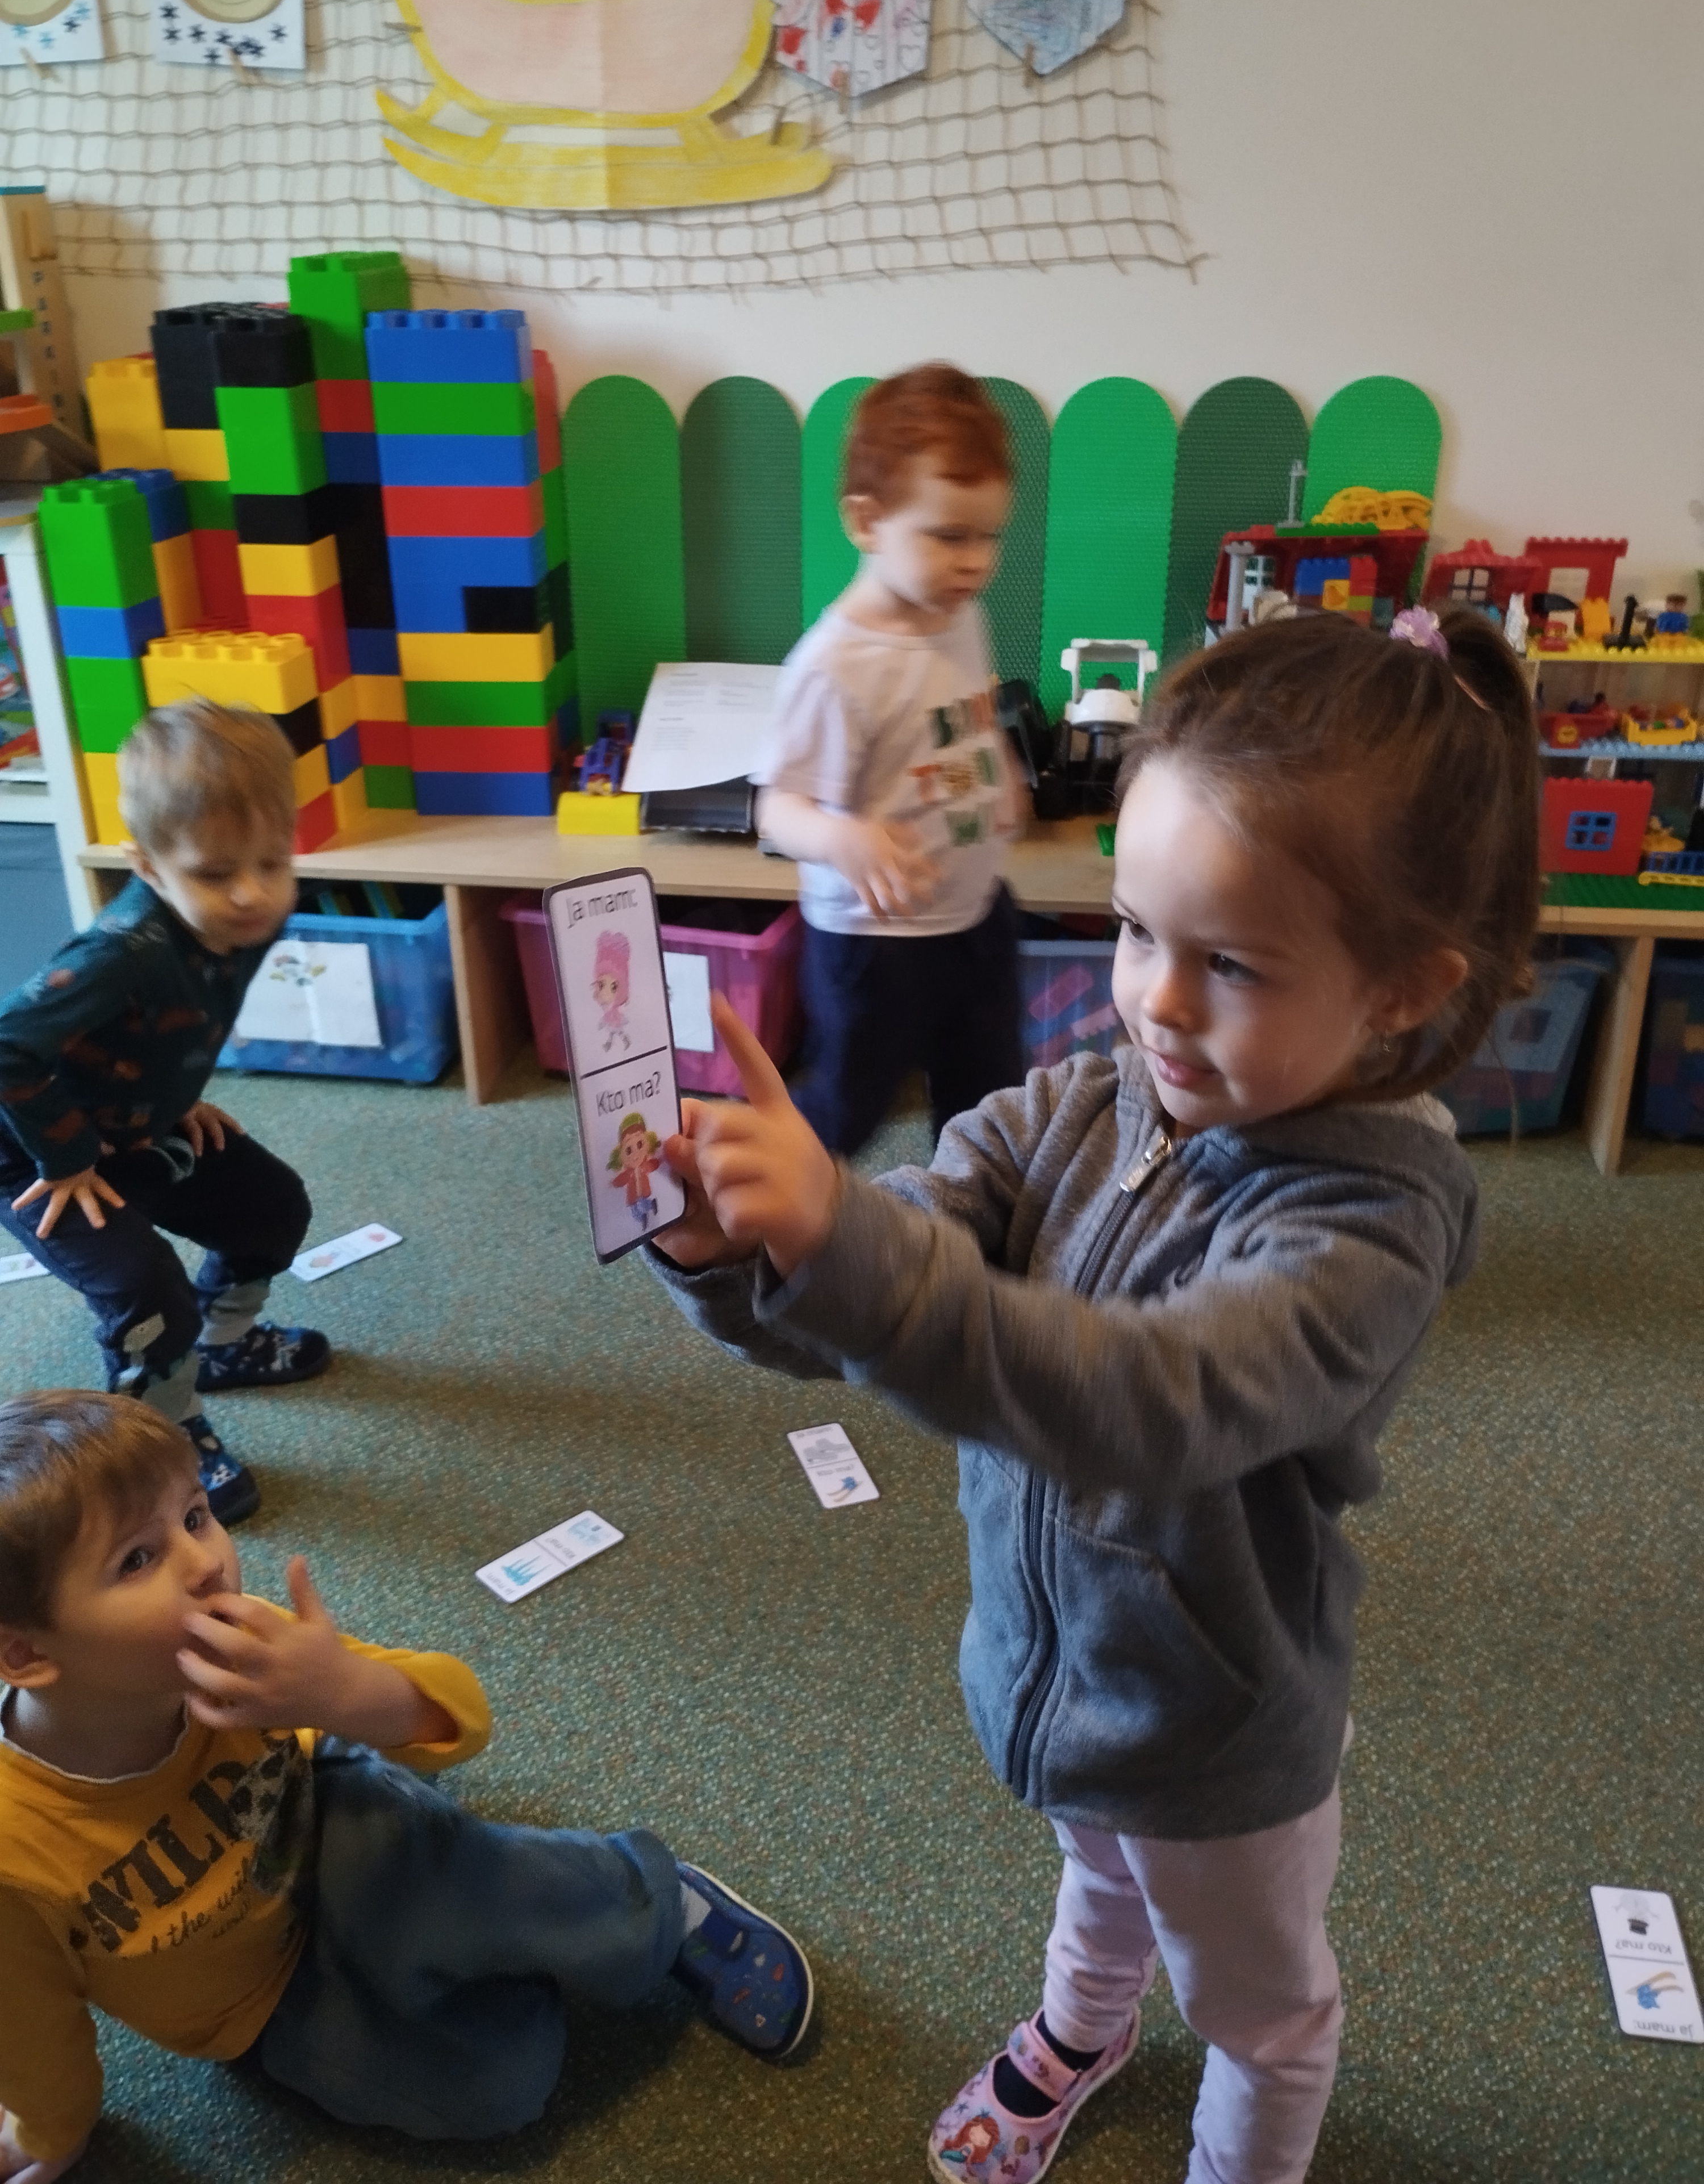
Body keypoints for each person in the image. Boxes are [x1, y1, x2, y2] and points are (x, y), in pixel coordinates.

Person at [649, 603, 1541, 2183]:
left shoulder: (1370, 1227)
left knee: (1261, 2009)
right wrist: (758, 1254)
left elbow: (1147, 1400)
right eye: (1136, 931)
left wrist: (848, 1243)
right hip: (1062, 1676)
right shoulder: (1089, 1097)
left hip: (1220, 1729)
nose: (1156, 1002)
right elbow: (919, 1245)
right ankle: (1082, 2024)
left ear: (1404, 989)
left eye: (1230, 963)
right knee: (1101, 1872)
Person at [0, 1388, 812, 2179]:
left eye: (194, 1516)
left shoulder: (246, 1651)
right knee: (502, 2087)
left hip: (329, 1826)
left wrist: (338, 1692)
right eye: (138, 1559)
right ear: (24, 1654)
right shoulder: (15, 1852)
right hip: (253, 2005)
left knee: (430, 1864)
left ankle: (659, 1904)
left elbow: (461, 1717)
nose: (207, 1564)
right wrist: (57, 2132)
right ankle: (517, 1936)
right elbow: (29, 2024)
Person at [0, 700, 329, 1527]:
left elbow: (169, 1025)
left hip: (138, 1123)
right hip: (37, 1152)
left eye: (272, 861)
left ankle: (223, 1345)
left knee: (271, 1205)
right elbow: (8, 1049)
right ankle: (164, 1436)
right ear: (146, 867)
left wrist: (173, 1097)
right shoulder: (121, 953)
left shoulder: (242, 920)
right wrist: (68, 1158)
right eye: (215, 874)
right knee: (146, 1292)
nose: (251, 893)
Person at [755, 361, 1025, 1157]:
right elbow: (776, 807)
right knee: (845, 1109)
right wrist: (844, 839)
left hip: (976, 914)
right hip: (873, 945)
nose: (976, 563)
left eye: (989, 536)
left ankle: (973, 1219)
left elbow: (965, 715)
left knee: (989, 1105)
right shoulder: (834, 666)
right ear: (868, 523)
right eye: (950, 536)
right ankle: (767, 1194)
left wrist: (1003, 769)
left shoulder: (962, 614)